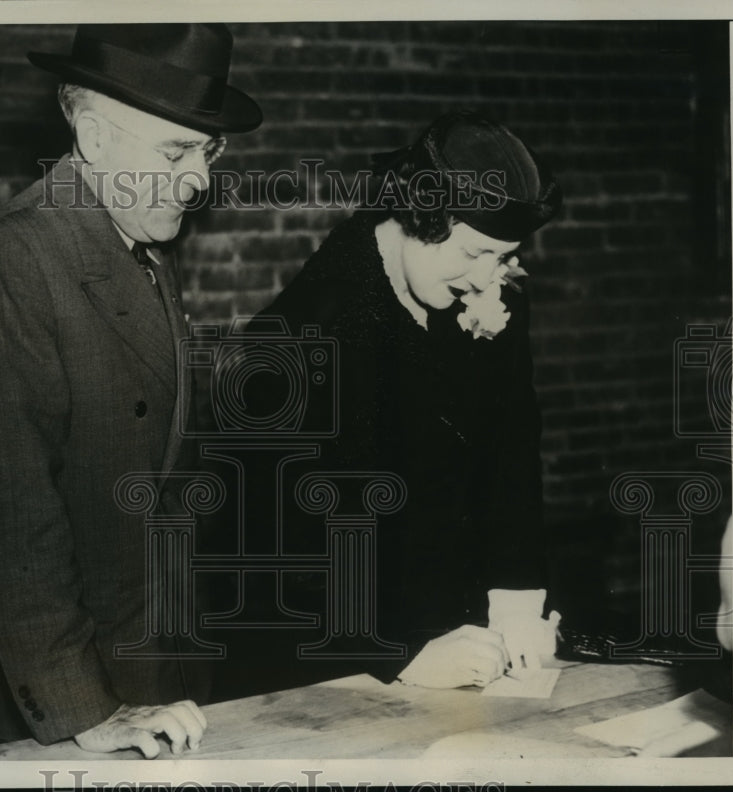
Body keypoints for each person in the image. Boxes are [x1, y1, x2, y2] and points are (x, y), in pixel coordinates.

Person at [0, 23, 260, 756]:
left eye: (206, 151)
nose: (199, 178)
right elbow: (11, 515)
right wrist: (86, 712)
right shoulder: (15, 259)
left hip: (151, 664)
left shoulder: (134, 238)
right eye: (175, 151)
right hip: (69, 703)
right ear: (93, 137)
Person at [225, 111, 561, 693]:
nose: (488, 281)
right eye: (476, 252)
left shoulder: (490, 292)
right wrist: (398, 653)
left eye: (503, 257)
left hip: (461, 640)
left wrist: (515, 599)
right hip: (327, 657)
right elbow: (276, 551)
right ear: (420, 216)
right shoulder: (300, 337)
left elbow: (513, 450)